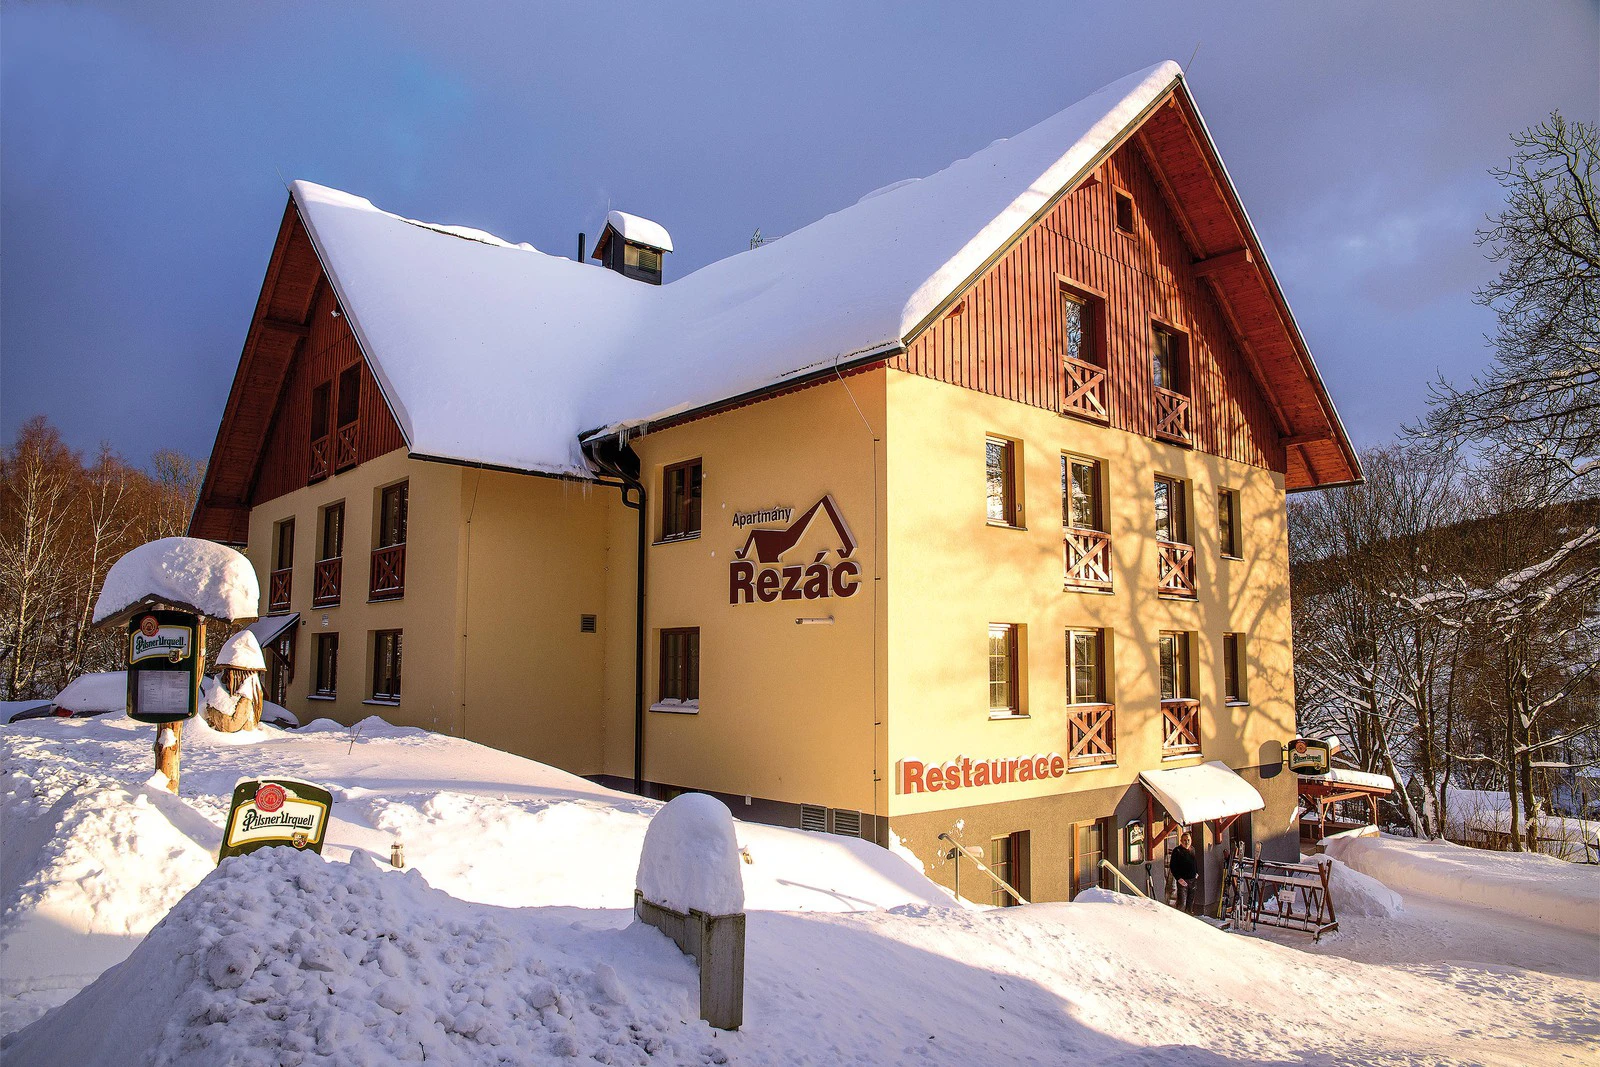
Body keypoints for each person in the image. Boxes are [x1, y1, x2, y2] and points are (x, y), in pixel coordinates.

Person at [1169, 832, 1199, 914]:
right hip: (1183, 881)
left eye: (1188, 840)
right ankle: (1179, 919)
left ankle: (1189, 917)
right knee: (1182, 904)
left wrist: (1196, 872)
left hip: (1193, 880)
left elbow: (1194, 862)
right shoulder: (1177, 851)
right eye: (1185, 840)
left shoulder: (1192, 849)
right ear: (1181, 841)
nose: (1187, 842)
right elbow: (1173, 866)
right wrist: (1178, 878)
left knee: (1190, 903)